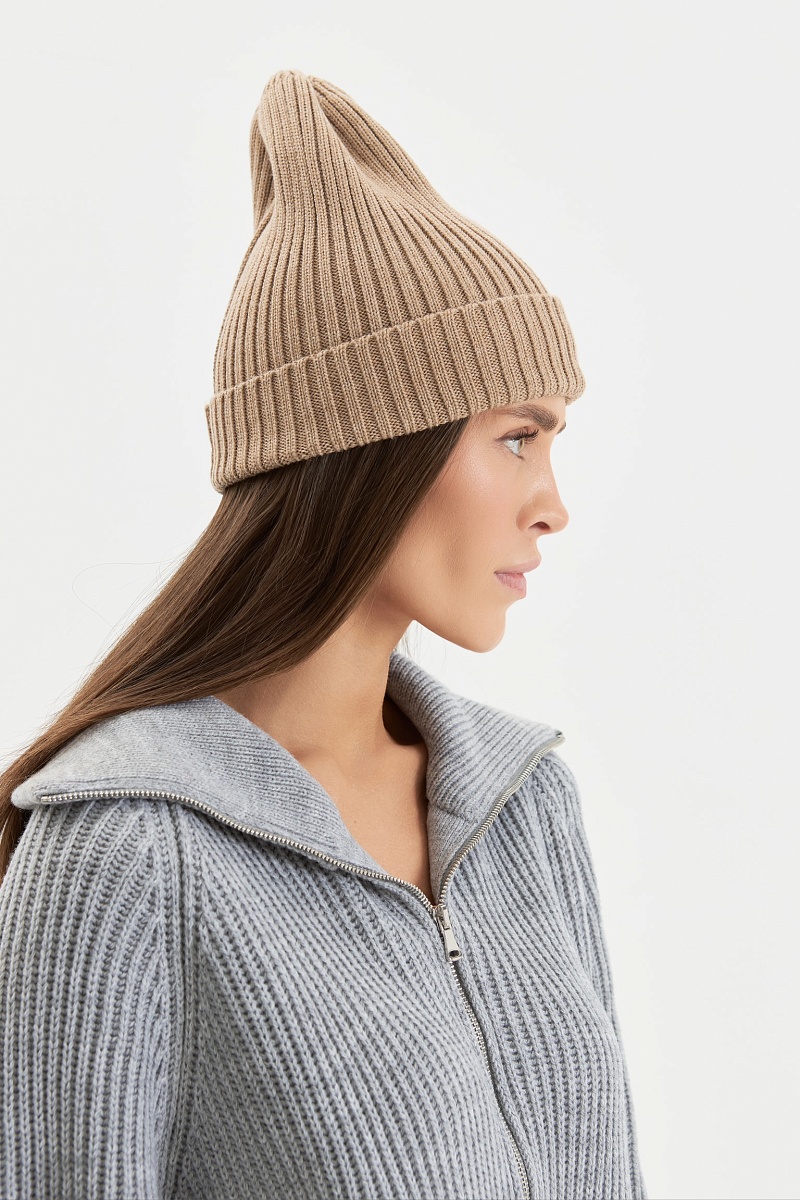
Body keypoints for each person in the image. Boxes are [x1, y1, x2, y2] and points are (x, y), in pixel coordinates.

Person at [0, 69, 647, 1199]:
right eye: (516, 438)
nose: (551, 505)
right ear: (373, 442)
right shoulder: (125, 848)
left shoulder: (524, 804)